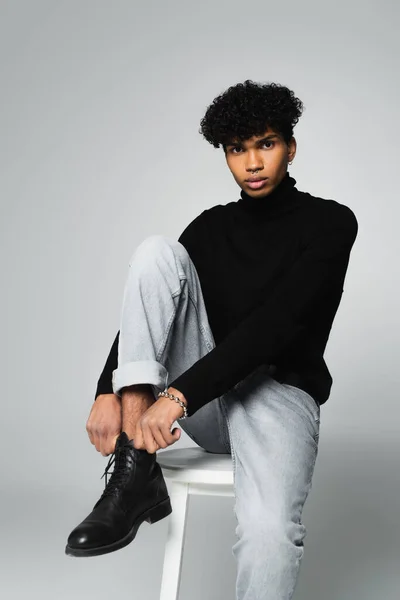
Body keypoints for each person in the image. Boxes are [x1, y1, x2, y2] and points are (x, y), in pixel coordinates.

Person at [65, 79, 358, 599]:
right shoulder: (207, 228)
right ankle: (135, 472)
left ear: (291, 146)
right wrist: (105, 391)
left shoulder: (330, 222)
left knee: (270, 533)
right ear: (225, 155)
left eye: (265, 144)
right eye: (236, 149)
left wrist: (177, 396)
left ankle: (137, 468)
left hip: (277, 396)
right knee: (157, 253)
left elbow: (277, 324)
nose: (252, 162)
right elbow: (150, 312)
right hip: (207, 406)